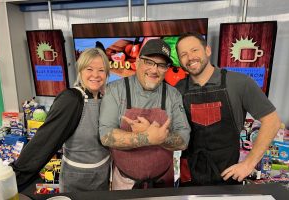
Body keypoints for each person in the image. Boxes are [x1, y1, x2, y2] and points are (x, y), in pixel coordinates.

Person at [175, 32, 281, 186]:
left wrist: (248, 164)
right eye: (183, 54)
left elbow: (272, 121)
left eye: (194, 50)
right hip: (190, 175)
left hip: (228, 174)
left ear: (208, 50)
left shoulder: (239, 83)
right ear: (179, 60)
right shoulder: (176, 90)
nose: (190, 57)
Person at [10, 48, 111, 192]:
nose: (95, 75)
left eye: (101, 70)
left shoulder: (107, 99)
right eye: (89, 69)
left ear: (107, 74)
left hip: (102, 178)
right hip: (77, 181)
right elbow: (45, 140)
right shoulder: (71, 99)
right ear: (80, 70)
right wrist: (14, 177)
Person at [99, 39, 191, 190]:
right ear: (137, 61)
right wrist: (147, 138)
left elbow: (184, 139)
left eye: (162, 65)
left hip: (163, 182)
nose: (154, 70)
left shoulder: (173, 95)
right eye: (149, 62)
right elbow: (106, 135)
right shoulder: (115, 90)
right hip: (124, 184)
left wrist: (162, 138)